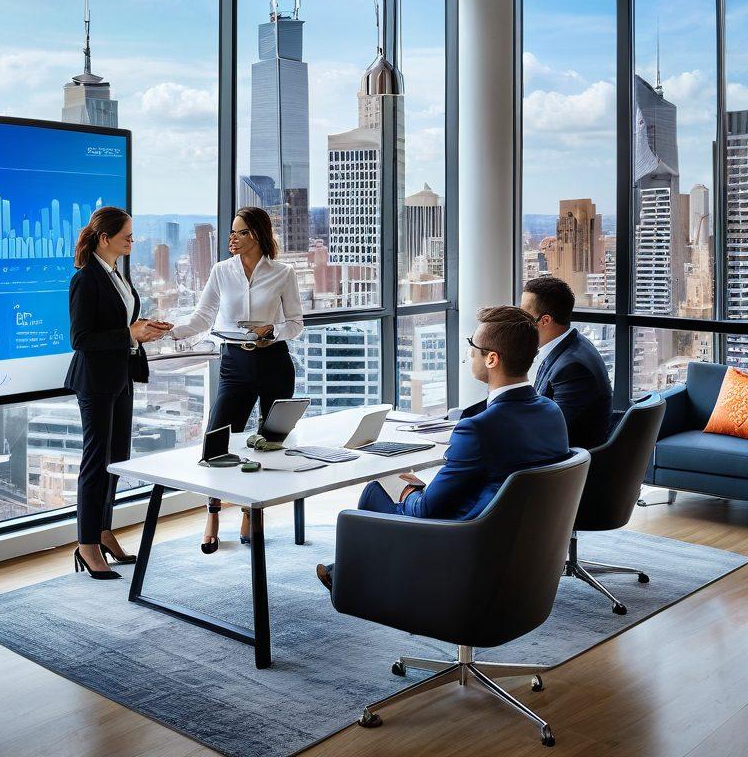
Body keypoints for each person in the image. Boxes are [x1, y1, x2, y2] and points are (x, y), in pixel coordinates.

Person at [317, 305, 569, 590]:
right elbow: (497, 479)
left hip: (464, 543)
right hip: (517, 543)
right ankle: (348, 574)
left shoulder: (478, 428)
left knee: (376, 490)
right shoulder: (552, 412)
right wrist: (425, 488)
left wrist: (411, 491)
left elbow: (426, 512)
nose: (469, 353)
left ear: (492, 359)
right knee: (402, 484)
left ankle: (360, 584)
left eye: (473, 346)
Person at [171, 207, 304, 553]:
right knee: (216, 443)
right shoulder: (221, 272)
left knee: (270, 442)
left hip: (274, 361)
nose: (231, 238)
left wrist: (270, 330)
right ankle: (213, 513)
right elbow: (202, 317)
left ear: (256, 235)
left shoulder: (283, 273)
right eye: (231, 232)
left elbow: (296, 323)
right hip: (234, 363)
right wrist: (171, 332)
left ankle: (250, 511)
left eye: (239, 232)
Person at [64, 206, 171, 580]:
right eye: (127, 235)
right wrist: (129, 334)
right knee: (96, 462)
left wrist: (143, 330)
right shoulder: (85, 279)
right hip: (95, 381)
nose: (132, 240)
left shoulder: (116, 274)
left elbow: (121, 325)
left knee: (116, 459)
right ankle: (86, 544)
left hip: (121, 375)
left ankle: (103, 531)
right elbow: (79, 339)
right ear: (105, 238)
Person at [521, 275, 612, 450]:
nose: (519, 322)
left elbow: (553, 432)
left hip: (567, 466)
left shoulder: (572, 368)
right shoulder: (572, 342)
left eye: (523, 315)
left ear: (545, 320)